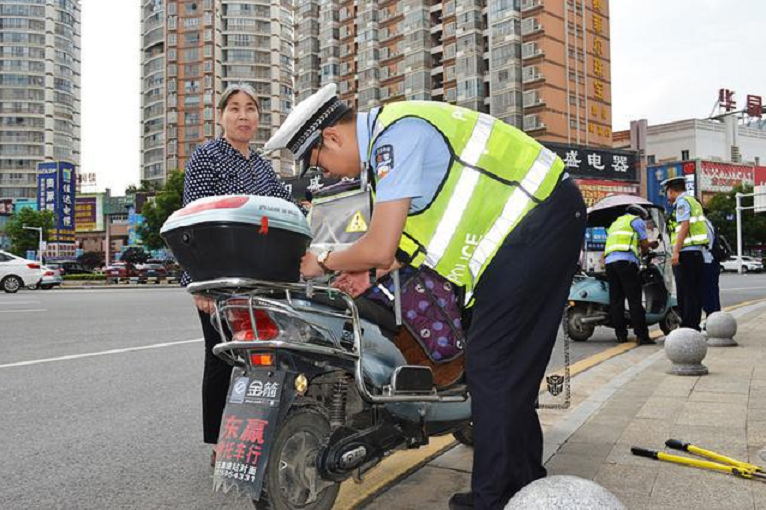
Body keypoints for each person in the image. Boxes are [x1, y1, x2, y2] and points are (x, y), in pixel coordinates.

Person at [264, 84, 587, 510]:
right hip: (529, 231)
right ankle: (523, 485)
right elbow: (402, 243)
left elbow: (380, 244)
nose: (329, 173)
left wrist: (322, 261)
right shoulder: (390, 142)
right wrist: (368, 270)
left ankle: (492, 499)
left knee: (493, 367)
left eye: (320, 160)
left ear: (332, 137)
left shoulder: (395, 139)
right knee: (504, 369)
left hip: (538, 219)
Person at [181, 83, 303, 460]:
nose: (243, 116)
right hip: (218, 280)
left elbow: (286, 213)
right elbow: (194, 219)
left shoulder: (264, 167)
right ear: (221, 116)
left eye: (251, 108)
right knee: (221, 358)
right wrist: (197, 285)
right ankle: (220, 441)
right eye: (234, 108)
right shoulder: (207, 157)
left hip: (260, 281)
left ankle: (256, 431)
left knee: (262, 358)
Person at [604, 204, 657, 344]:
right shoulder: (636, 221)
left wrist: (649, 245)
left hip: (610, 263)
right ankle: (642, 336)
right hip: (626, 262)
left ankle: (620, 335)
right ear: (639, 214)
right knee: (634, 300)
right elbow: (643, 244)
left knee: (616, 301)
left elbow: (626, 240)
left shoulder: (616, 223)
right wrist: (647, 250)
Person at [662, 176, 710, 331]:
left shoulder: (682, 203)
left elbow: (684, 226)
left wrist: (675, 252)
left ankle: (688, 326)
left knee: (685, 291)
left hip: (686, 253)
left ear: (671, 191)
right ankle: (693, 325)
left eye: (667, 193)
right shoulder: (694, 201)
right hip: (696, 253)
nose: (667, 197)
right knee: (694, 291)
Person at [701, 215, 723, 317]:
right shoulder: (708, 222)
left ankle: (712, 319)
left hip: (707, 261)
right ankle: (714, 318)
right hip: (712, 260)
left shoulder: (701, 222)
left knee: (708, 294)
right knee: (712, 292)